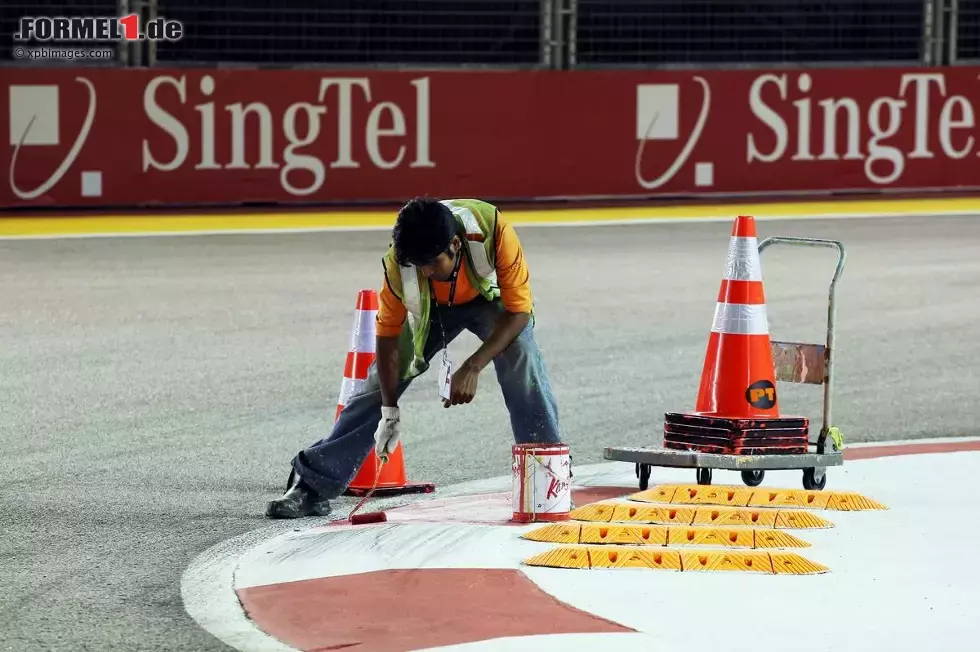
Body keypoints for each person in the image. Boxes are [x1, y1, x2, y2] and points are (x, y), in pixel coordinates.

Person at [266, 196, 564, 519]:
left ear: (454, 245)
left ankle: (547, 477)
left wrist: (473, 365)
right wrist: (389, 410)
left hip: (486, 304)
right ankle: (311, 483)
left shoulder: (494, 230)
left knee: (521, 355)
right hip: (430, 312)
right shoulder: (399, 260)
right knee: (378, 382)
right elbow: (387, 337)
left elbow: (519, 313)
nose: (425, 271)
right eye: (418, 265)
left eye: (433, 263)